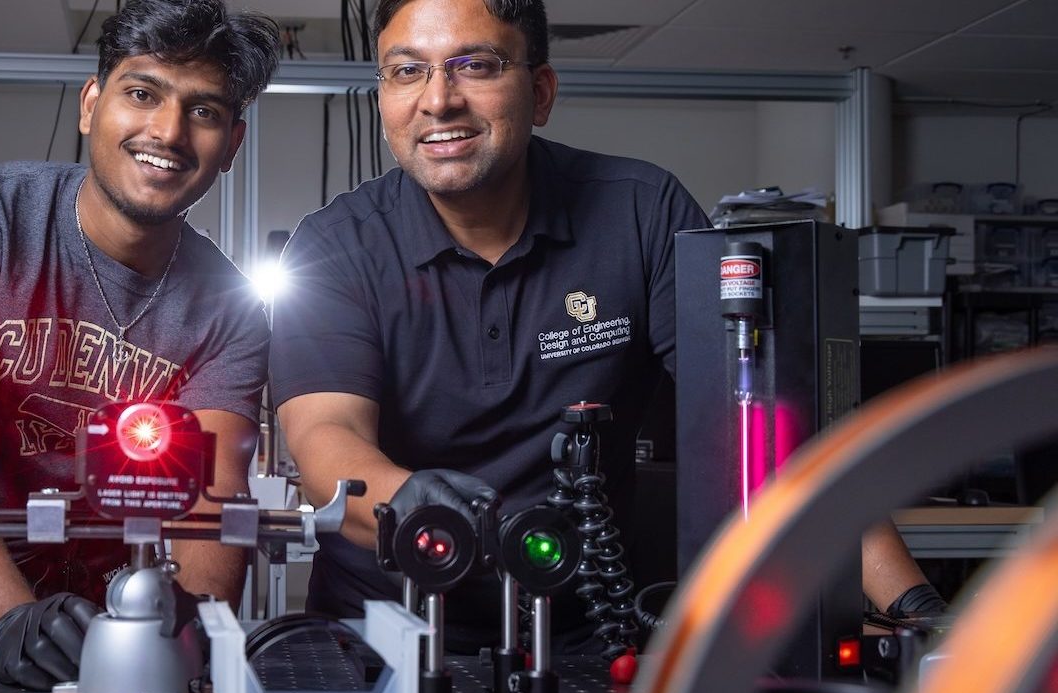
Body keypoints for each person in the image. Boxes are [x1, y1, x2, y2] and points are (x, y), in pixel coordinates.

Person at [269, 0, 945, 655]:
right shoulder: (336, 245)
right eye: (407, 70)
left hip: (587, 635)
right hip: (377, 632)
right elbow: (325, 440)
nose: (439, 100)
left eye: (476, 66)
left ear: (539, 93)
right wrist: (412, 501)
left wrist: (914, 607)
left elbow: (769, 428)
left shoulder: (641, 213)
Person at [0, 0, 280, 690]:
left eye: (204, 111)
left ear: (231, 145)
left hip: (113, 613)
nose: (168, 131)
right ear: (92, 105)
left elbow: (210, 502)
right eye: (142, 93)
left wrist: (186, 626)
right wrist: (7, 620)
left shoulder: (231, 310)